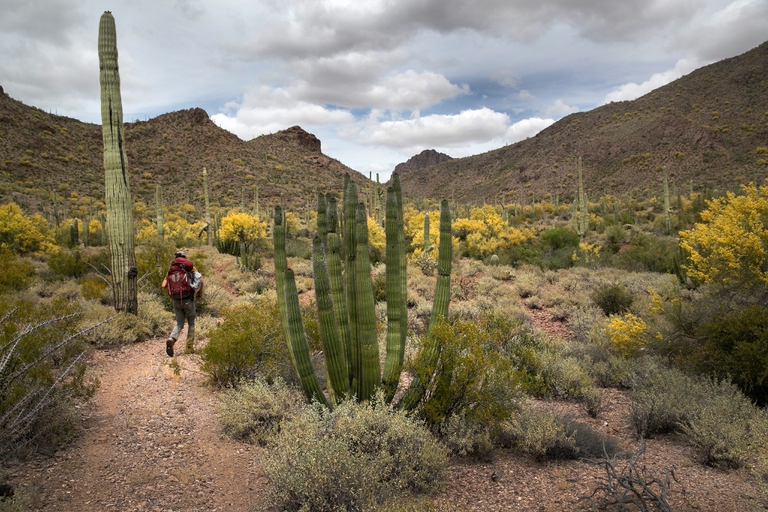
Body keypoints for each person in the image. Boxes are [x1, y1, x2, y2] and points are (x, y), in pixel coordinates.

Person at [162, 250, 203, 356]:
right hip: (188, 300)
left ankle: (172, 338)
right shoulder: (189, 269)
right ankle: (189, 347)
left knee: (180, 323)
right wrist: (199, 293)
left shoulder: (171, 271)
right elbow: (200, 281)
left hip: (176, 301)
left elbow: (163, 285)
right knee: (191, 323)